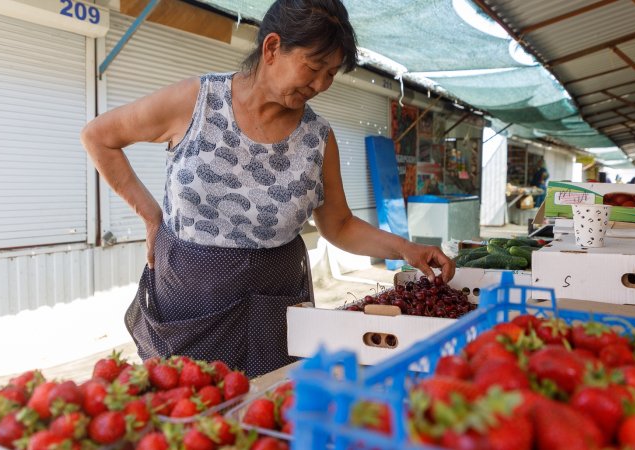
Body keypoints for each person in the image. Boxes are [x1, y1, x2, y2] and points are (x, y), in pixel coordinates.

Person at [80, 0, 454, 378]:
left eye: (330, 74)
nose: (320, 85)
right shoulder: (196, 102)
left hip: (273, 306)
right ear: (272, 47)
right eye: (313, 67)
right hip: (188, 302)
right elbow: (99, 137)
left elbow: (339, 225)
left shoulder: (318, 138)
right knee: (188, 399)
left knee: (269, 403)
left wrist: (406, 249)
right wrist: (150, 216)